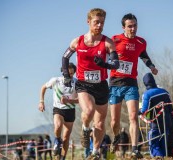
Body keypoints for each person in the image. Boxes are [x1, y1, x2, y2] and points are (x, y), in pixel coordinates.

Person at [61, 8, 119, 159]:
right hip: (83, 84)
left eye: (102, 23)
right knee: (88, 111)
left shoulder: (108, 43)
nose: (99, 25)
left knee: (100, 124)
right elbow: (65, 57)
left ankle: (95, 152)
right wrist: (67, 76)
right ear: (88, 22)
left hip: (101, 85)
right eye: (96, 22)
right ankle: (85, 129)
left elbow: (115, 64)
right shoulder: (78, 41)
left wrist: (105, 65)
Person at [109, 13, 158, 159]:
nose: (133, 28)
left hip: (131, 83)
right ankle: (116, 136)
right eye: (130, 26)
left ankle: (135, 149)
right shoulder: (115, 40)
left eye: (135, 25)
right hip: (115, 83)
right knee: (114, 121)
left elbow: (143, 55)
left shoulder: (141, 42)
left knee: (133, 117)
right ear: (123, 27)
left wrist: (152, 66)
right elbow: (105, 54)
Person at [39, 62, 78, 160]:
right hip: (58, 109)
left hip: (70, 110)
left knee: (65, 138)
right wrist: (41, 102)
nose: (70, 75)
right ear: (63, 72)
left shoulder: (76, 83)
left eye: (72, 73)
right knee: (58, 126)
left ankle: (62, 157)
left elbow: (81, 100)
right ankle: (57, 140)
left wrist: (69, 101)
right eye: (68, 73)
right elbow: (43, 87)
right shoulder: (55, 80)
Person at [139, 73, 173, 158]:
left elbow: (144, 110)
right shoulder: (165, 91)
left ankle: (158, 157)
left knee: (153, 143)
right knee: (164, 143)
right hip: (167, 122)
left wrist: (137, 112)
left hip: (155, 123)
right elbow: (171, 108)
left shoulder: (147, 94)